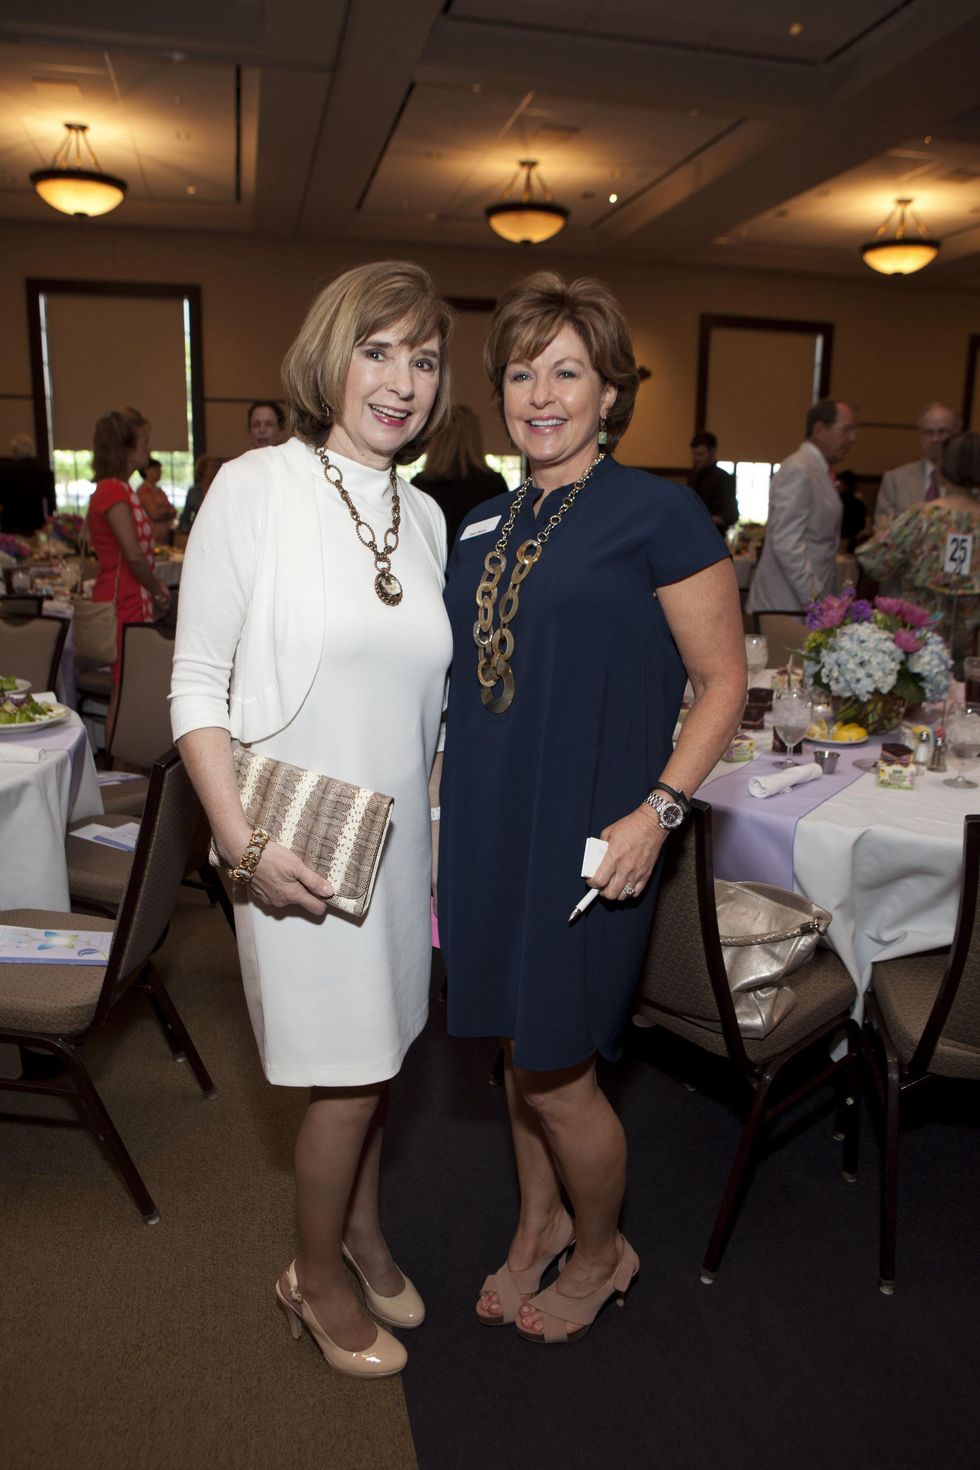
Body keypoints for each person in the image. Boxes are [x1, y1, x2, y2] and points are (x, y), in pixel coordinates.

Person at [437, 273, 745, 1345]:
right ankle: (535, 1229)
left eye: (566, 370)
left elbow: (722, 683)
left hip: (591, 840)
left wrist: (656, 811)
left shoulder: (658, 512)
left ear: (611, 392)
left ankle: (604, 1250)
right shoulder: (479, 517)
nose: (540, 393)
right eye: (521, 372)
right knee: (516, 1054)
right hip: (485, 828)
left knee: (559, 1071)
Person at [170, 261, 455, 1380]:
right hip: (288, 841)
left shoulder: (427, 515)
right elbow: (193, 684)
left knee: (379, 1064)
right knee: (342, 1075)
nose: (399, 381)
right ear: (329, 356)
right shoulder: (257, 486)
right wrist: (242, 846)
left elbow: (425, 700)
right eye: (376, 350)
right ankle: (313, 1275)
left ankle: (364, 1234)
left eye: (422, 360)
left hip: (395, 849)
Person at [858, 431, 980, 668]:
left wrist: (883, 532)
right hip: (972, 644)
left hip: (918, 639)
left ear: (943, 469)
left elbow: (874, 563)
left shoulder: (923, 516)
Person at [87, 408, 171, 736]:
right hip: (123, 600)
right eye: (144, 441)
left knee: (127, 687)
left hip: (128, 596)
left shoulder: (121, 489)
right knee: (123, 693)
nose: (147, 449)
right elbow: (133, 555)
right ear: (125, 446)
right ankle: (118, 767)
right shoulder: (114, 491)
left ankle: (123, 763)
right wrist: (157, 588)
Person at [746, 397, 857, 614]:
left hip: (801, 602)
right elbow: (786, 541)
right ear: (820, 429)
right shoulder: (799, 468)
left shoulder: (818, 468)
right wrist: (816, 601)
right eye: (846, 430)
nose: (852, 439)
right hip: (786, 604)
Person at [411, 403, 507, 547]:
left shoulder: (420, 485)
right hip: (480, 567)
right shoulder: (493, 485)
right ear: (476, 439)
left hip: (432, 568)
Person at [874, 401, 960, 533]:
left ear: (957, 433)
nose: (935, 439)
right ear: (920, 435)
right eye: (929, 433)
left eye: (943, 432)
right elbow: (882, 531)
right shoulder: (895, 480)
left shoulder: (969, 482)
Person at [687, 430, 739, 533]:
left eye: (700, 454)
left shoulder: (723, 478)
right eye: (694, 454)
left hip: (714, 535)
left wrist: (702, 519)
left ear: (712, 452)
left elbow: (731, 515)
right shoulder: (694, 476)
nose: (696, 459)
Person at [177, 455, 224, 537]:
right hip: (198, 533)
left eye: (216, 467)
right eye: (212, 467)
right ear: (203, 470)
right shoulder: (193, 491)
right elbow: (186, 516)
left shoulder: (222, 489)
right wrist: (186, 533)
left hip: (218, 532)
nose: (215, 470)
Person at [136, 457, 175, 545]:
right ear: (146, 470)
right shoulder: (143, 491)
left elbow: (173, 511)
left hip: (165, 537)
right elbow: (155, 514)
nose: (160, 472)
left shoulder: (160, 491)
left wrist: (163, 510)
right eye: (156, 469)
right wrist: (166, 511)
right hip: (151, 536)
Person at [837, 469, 868, 553]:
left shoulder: (838, 501)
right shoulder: (859, 501)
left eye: (838, 483)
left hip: (838, 540)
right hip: (853, 542)